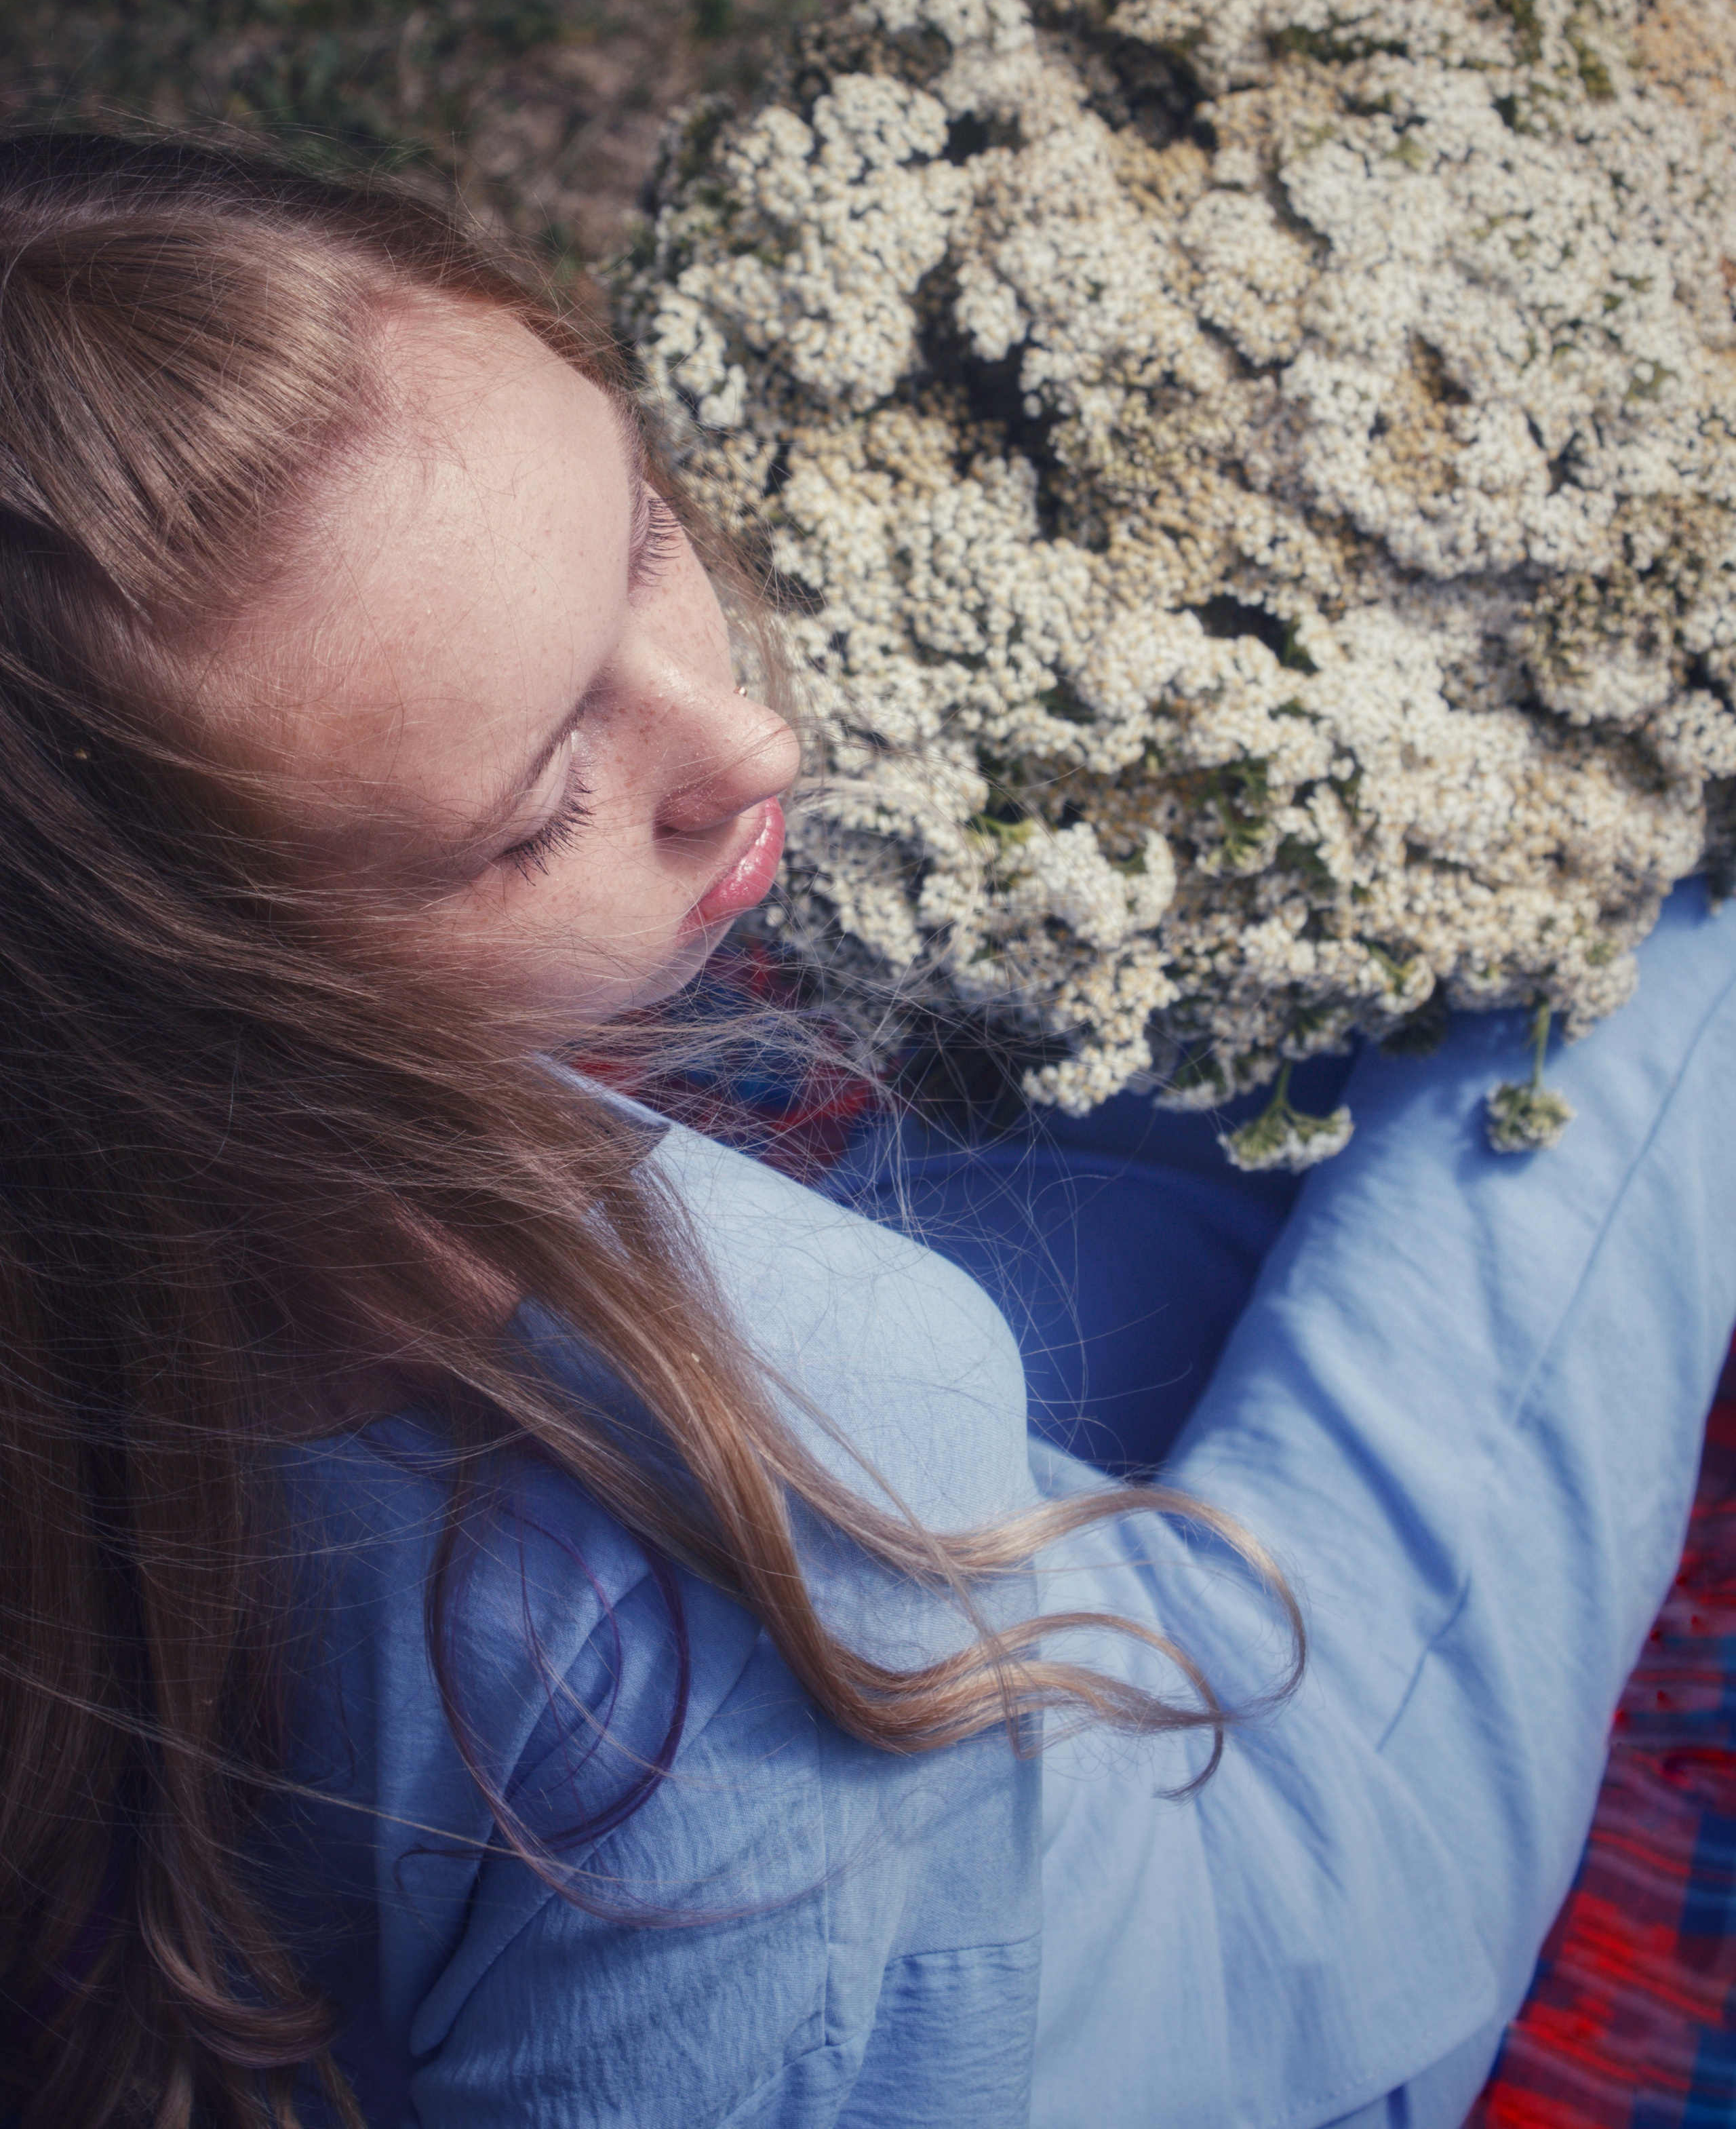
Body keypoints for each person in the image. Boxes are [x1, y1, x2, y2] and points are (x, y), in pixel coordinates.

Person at [0, 131, 1730, 2129]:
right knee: (1644, 927)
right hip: (1248, 1961)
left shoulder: (102, 1187)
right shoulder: (713, 1567)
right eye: (543, 802)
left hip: (938, 1668)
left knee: (1207, 1033)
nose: (749, 746)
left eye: (642, 531)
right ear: (199, 1000)